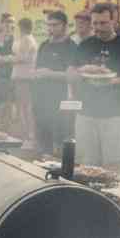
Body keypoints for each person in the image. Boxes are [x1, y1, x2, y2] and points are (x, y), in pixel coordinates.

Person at [69, 2, 120, 171]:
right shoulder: (86, 44)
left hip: (115, 114)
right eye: (95, 23)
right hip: (86, 112)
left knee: (112, 167)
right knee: (86, 167)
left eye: (103, 23)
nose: (98, 28)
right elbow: (70, 73)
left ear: (114, 21)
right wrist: (83, 70)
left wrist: (114, 81)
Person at [32, 10, 77, 154]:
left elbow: (72, 76)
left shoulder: (71, 47)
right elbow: (38, 70)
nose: (51, 28)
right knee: (43, 139)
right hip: (41, 98)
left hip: (62, 98)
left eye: (55, 25)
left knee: (61, 139)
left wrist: (49, 74)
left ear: (64, 26)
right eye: (49, 25)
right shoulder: (44, 45)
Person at [10, 17, 39, 147]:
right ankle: (25, 132)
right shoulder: (24, 39)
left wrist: (6, 59)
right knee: (22, 105)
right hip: (20, 75)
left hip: (24, 76)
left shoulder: (27, 39)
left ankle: (28, 133)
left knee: (25, 106)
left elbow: (24, 58)